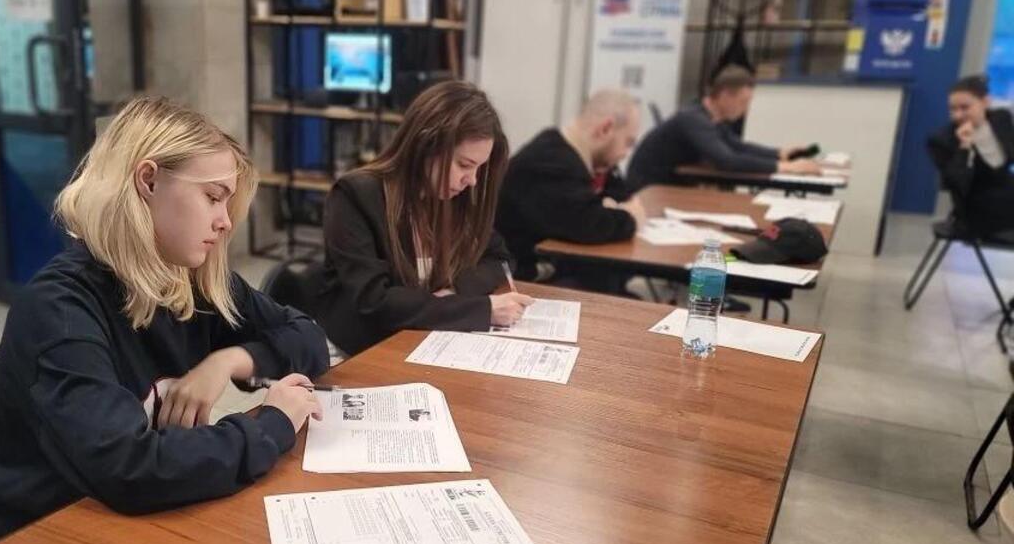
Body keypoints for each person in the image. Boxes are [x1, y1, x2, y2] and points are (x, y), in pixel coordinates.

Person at [0, 96, 328, 544]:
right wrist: (272, 425)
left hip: (144, 518)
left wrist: (227, 361)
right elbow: (128, 468)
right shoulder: (59, 309)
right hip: (51, 533)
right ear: (148, 181)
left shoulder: (188, 279)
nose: (225, 222)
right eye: (212, 198)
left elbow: (309, 339)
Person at [314, 81, 533, 356]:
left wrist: (454, 291)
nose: (472, 180)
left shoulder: (453, 198)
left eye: (479, 168)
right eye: (464, 165)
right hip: (360, 350)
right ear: (426, 146)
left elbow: (500, 259)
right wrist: (480, 309)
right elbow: (375, 302)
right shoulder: (356, 196)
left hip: (422, 341)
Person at [496, 89, 646, 284]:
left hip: (546, 268)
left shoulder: (574, 154)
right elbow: (588, 224)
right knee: (608, 283)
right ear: (605, 129)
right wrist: (631, 218)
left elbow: (621, 194)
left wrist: (615, 207)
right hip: (520, 279)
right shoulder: (549, 162)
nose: (626, 153)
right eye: (628, 142)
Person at [625, 66, 821, 192]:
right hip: (649, 191)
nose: (746, 110)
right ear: (726, 95)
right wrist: (785, 167)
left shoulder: (711, 117)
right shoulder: (693, 119)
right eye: (743, 102)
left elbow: (737, 146)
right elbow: (727, 160)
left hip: (671, 187)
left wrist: (780, 153)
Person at [928, 75, 1014, 235]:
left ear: (985, 103)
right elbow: (957, 184)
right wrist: (964, 147)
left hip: (1007, 191)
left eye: (965, 108)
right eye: (953, 109)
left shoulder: (1001, 118)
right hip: (975, 205)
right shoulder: (942, 140)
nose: (957, 115)